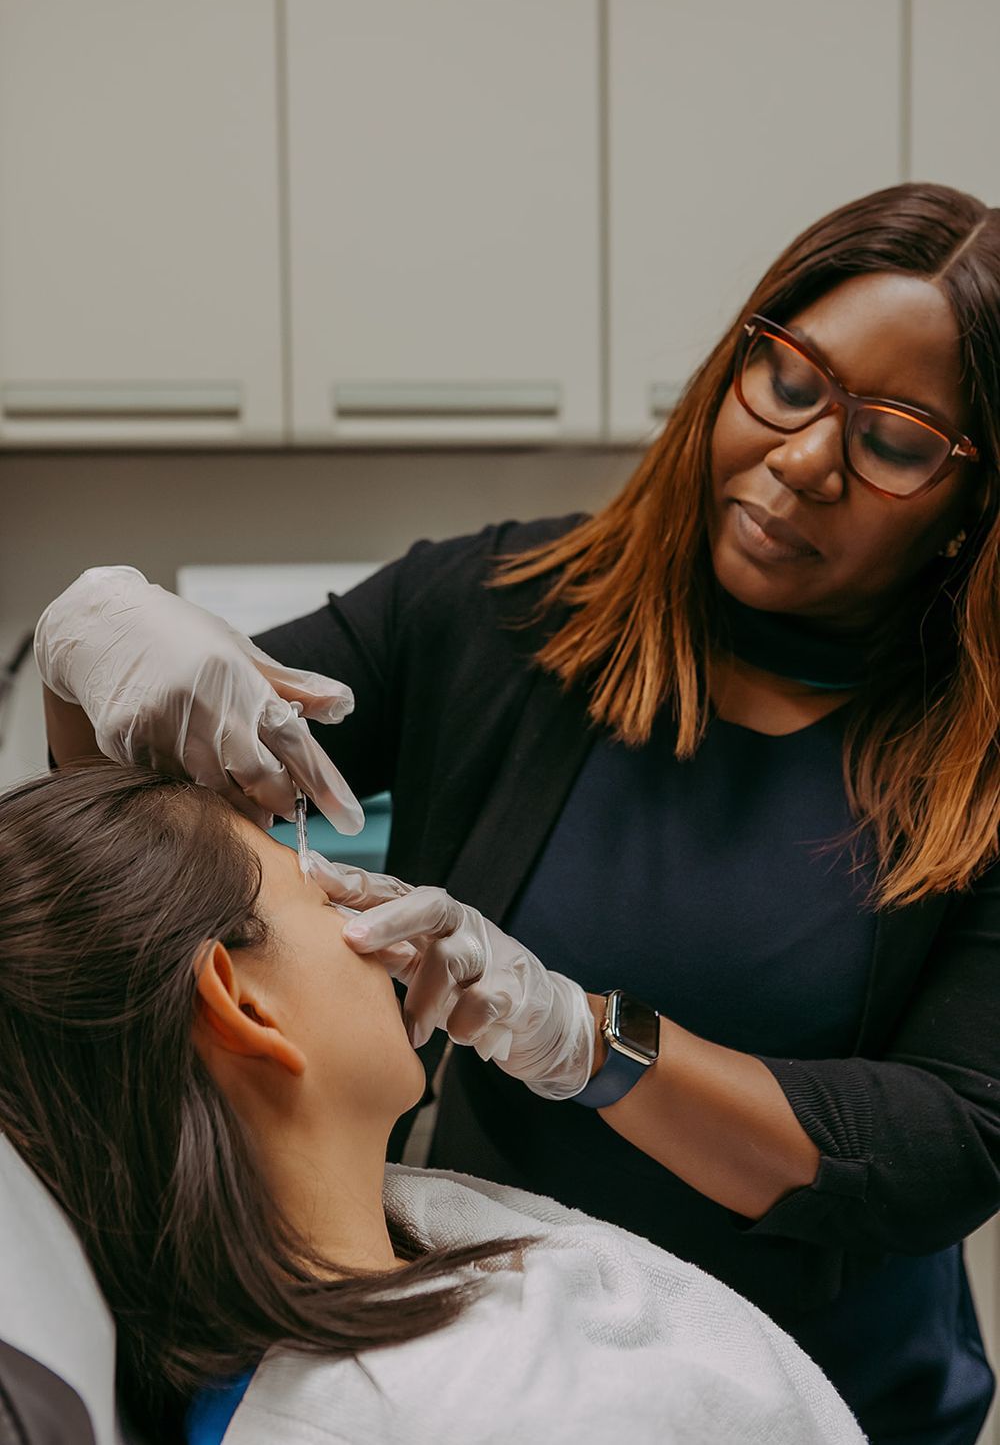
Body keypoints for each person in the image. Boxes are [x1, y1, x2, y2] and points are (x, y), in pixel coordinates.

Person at [35, 181, 1000, 1444]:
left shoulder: (977, 756)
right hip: (520, 1360)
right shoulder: (497, 609)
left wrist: (586, 1038)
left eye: (893, 440)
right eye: (792, 379)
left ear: (967, 506)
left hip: (825, 1395)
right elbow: (135, 845)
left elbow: (947, 1143)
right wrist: (83, 655)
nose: (806, 458)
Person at [0, 763, 864, 1444]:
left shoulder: (274, 1308)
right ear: (242, 1005)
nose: (383, 921)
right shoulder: (488, 1417)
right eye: (324, 892)